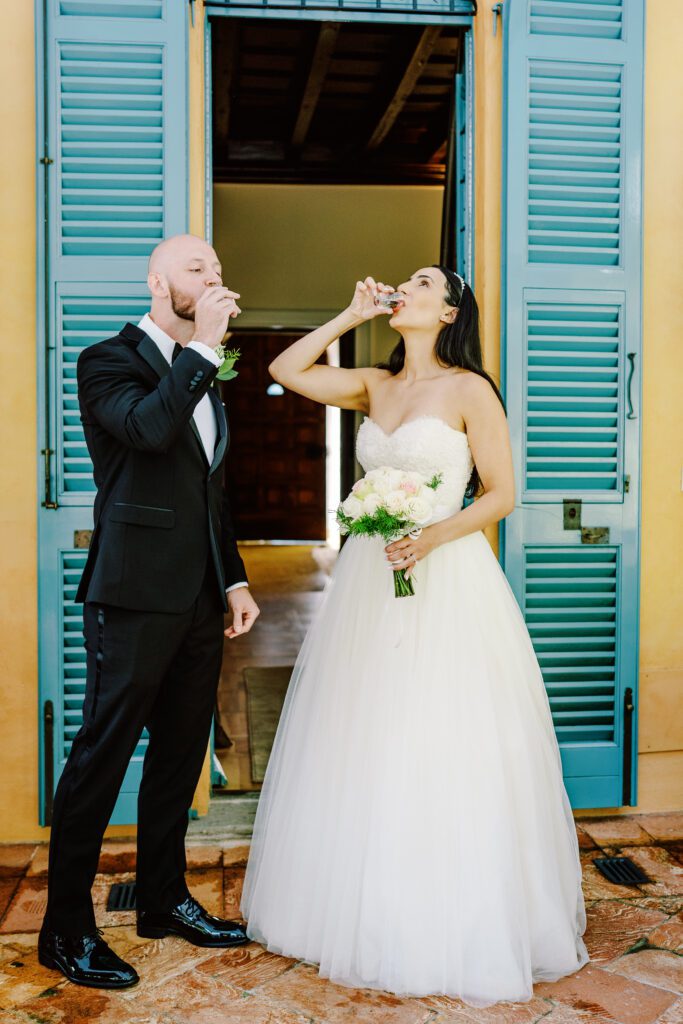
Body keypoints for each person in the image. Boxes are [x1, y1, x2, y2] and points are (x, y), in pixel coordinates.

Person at [240, 267, 589, 1008]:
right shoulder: (373, 382)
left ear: (449, 309)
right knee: (367, 725)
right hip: (372, 581)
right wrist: (348, 312)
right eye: (400, 282)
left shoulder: (470, 390)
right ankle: (365, 905)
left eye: (420, 282)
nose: (404, 287)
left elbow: (501, 493)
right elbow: (283, 369)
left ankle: (451, 915)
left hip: (447, 572)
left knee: (441, 728)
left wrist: (431, 536)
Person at [39, 234, 260, 989]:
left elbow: (206, 491)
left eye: (219, 269)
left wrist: (231, 580)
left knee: (178, 756)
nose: (215, 277)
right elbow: (144, 431)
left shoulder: (206, 373)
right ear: (158, 281)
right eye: (199, 267)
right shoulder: (107, 360)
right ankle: (65, 929)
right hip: (131, 594)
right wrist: (199, 350)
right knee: (101, 756)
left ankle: (164, 900)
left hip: (199, 598)